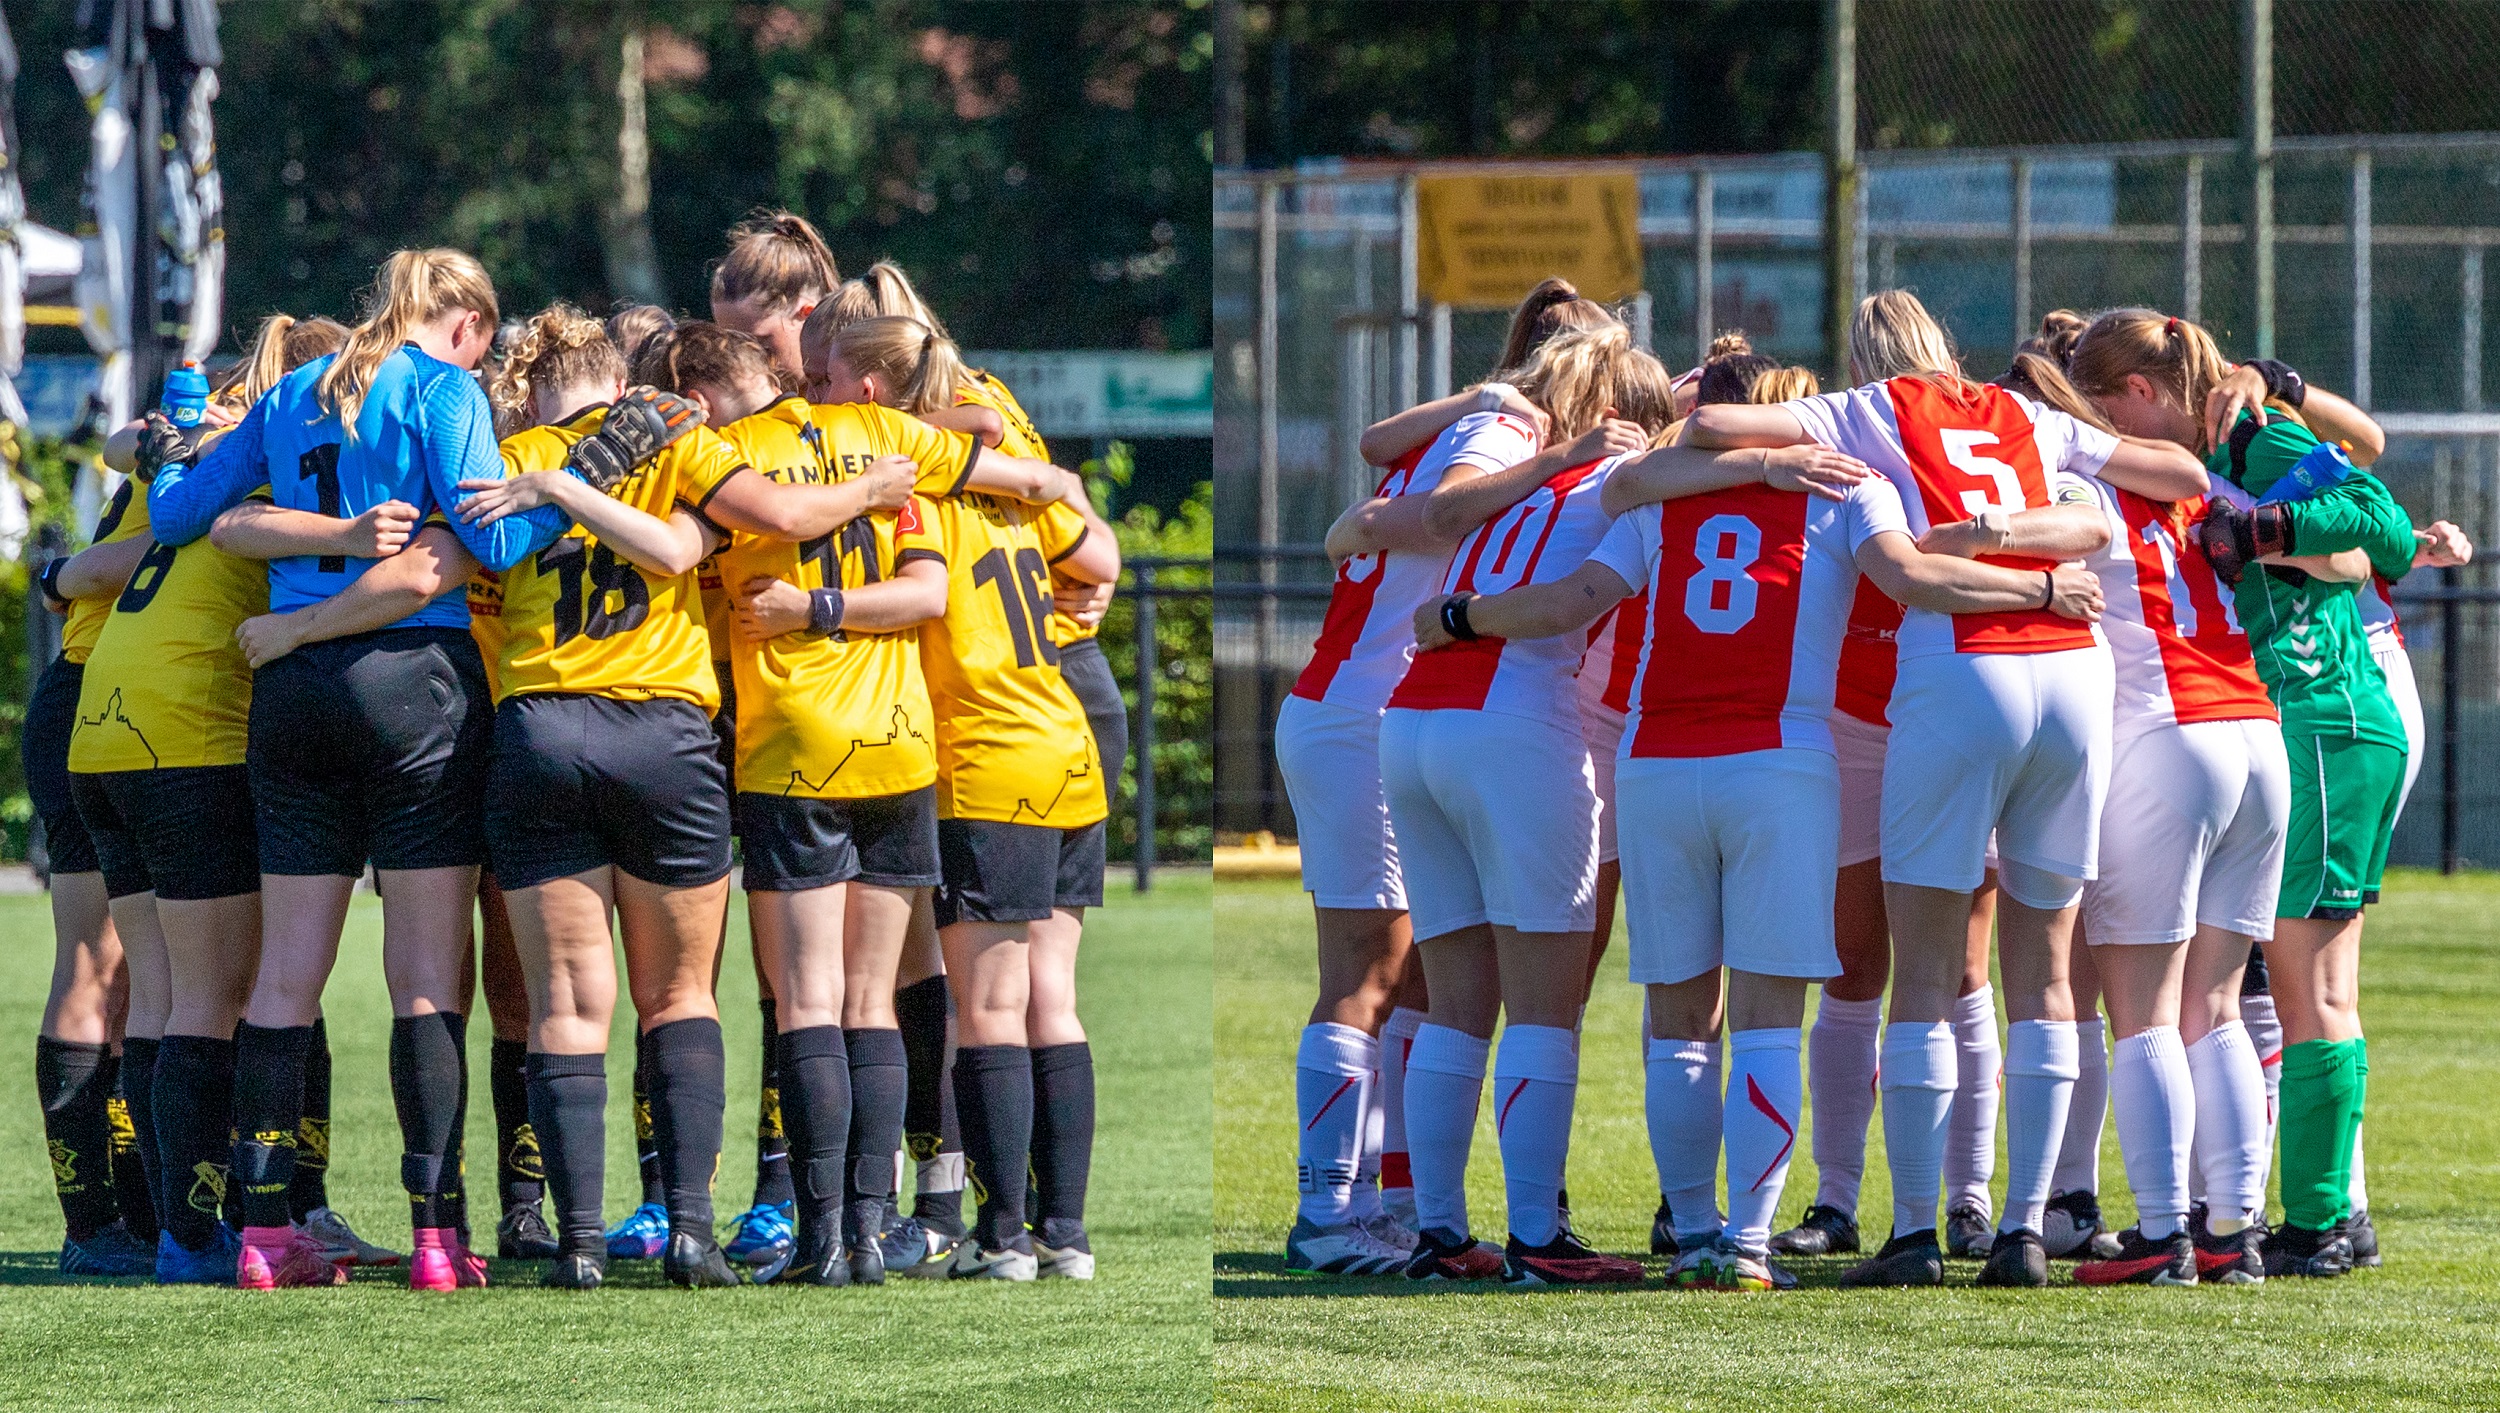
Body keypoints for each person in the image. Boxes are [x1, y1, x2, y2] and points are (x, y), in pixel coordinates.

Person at [1419, 351, 2101, 1292]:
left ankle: (1694, 1231)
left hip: (1655, 763)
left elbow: (1582, 593)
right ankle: (1747, 1242)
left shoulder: (1663, 499)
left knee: (1679, 1017)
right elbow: (1910, 579)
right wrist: (2040, 590)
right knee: (1771, 1015)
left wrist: (1458, 616)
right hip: (1779, 764)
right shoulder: (1851, 485)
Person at [1673, 290, 2207, 1288]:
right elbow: (2173, 474)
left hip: (1959, 669)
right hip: (2072, 674)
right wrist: (2022, 526)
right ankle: (2020, 1232)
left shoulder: (1865, 408)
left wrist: (1777, 459)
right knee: (2044, 975)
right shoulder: (2026, 415)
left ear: (1865, 357)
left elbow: (1707, 423)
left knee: (1919, 972)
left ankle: (1912, 1232)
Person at [142, 249, 634, 1292]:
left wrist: (173, 451)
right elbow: (494, 541)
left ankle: (266, 1236)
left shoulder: (287, 391)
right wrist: (583, 482)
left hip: (293, 687)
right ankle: (435, 1237)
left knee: (284, 977)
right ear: (462, 322)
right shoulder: (443, 387)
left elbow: (182, 516)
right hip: (417, 682)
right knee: (422, 982)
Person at [1270, 285, 1640, 1272]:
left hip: (1378, 707)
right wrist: (1557, 455)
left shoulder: (1489, 415)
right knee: (1368, 976)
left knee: (1421, 981)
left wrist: (1367, 524)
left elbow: (1378, 486)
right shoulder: (1515, 428)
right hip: (1370, 707)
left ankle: (1396, 1210)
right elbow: (1433, 507)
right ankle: (1330, 1214)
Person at [2067, 309, 2415, 1279]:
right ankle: (2322, 1213)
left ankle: (2311, 1219)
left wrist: (2268, 525)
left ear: (2138, 391)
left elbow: (2380, 528)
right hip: (2306, 727)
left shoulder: (2243, 436)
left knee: (2298, 992)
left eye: (2102, 408)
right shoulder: (2195, 451)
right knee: (2304, 991)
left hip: (2315, 718)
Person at [809, 311, 1115, 1281]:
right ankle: (1065, 1235)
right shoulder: (1009, 479)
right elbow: (1098, 562)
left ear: (869, 395)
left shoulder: (908, 488)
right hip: (1064, 745)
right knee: (1051, 1002)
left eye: (823, 379)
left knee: (985, 1011)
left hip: (980, 759)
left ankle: (1004, 1236)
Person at [1376, 325, 1674, 1288]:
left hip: (1416, 724)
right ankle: (1540, 1234)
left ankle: (1438, 1229)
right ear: (1634, 419)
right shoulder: (1620, 484)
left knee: (1458, 1001)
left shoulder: (1526, 483)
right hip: (1518, 726)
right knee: (1545, 1004)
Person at [28, 461, 157, 1277]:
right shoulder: (207, 448)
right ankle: (90, 1220)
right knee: (95, 958)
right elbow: (112, 561)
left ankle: (132, 1210)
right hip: (94, 696)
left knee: (141, 970)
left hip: (133, 698)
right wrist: (55, 574)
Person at [712, 210, 840, 382]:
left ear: (810, 316)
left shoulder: (860, 400)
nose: (743, 367)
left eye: (761, 347)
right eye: (731, 350)